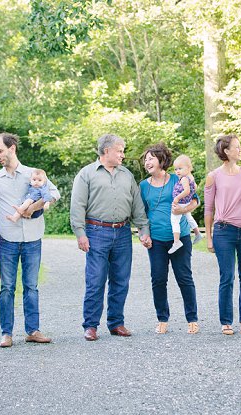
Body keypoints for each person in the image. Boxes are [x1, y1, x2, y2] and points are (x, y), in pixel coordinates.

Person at [71, 134, 150, 341]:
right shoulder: (87, 174)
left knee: (121, 280)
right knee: (95, 280)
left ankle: (116, 323)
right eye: (120, 150)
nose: (123, 155)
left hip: (123, 232)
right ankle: (90, 325)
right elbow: (77, 205)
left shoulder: (127, 175)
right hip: (96, 232)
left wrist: (143, 229)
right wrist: (80, 233)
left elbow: (137, 205)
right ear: (106, 151)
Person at [0, 133, 58, 348]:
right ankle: (6, 333)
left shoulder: (32, 173)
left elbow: (54, 194)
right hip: (7, 239)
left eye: (0, 151)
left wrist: (34, 208)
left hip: (33, 238)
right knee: (7, 287)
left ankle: (33, 331)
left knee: (31, 286)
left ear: (12, 149)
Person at [139, 143, 199, 335]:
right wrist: (143, 234)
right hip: (156, 240)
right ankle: (162, 319)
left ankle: (192, 319)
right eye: (145, 159)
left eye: (151, 158)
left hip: (179, 238)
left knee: (184, 278)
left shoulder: (177, 179)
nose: (147, 162)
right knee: (158, 279)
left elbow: (195, 200)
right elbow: (141, 214)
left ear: (161, 160)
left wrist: (184, 209)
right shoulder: (143, 186)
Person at [204, 134, 241, 335]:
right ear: (226, 151)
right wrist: (208, 237)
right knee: (227, 276)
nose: (240, 149)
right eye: (237, 147)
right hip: (223, 231)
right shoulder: (214, 176)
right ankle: (226, 321)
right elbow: (208, 209)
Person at [168, 155, 202, 254]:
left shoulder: (184, 178)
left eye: (180, 168)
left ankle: (176, 241)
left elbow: (187, 191)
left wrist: (177, 198)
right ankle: (197, 233)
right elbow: (194, 188)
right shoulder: (191, 178)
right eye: (176, 169)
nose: (177, 171)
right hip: (186, 202)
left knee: (174, 221)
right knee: (189, 218)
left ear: (188, 168)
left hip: (181, 203)